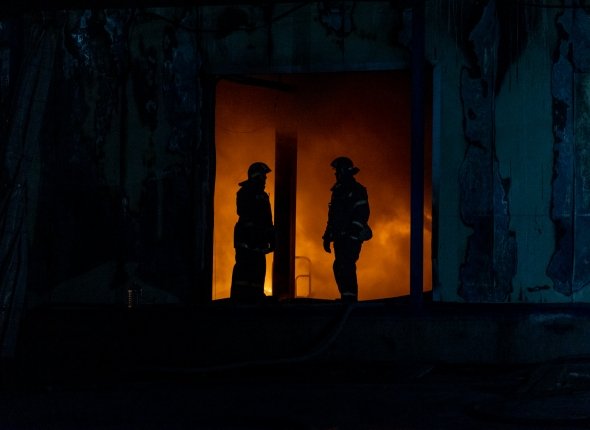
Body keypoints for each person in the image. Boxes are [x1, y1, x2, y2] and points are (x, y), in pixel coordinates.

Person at [322, 156, 371, 303]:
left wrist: (352, 232)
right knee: (339, 266)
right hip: (340, 237)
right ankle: (346, 297)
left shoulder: (357, 190)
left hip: (351, 238)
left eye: (337, 171)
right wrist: (327, 236)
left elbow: (362, 213)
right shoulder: (338, 191)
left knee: (346, 265)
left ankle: (350, 299)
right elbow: (333, 216)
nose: (336, 174)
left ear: (343, 171)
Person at [230, 161, 275, 303]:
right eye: (263, 176)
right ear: (257, 176)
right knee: (245, 267)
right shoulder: (245, 192)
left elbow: (268, 221)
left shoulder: (263, 196)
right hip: (247, 239)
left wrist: (272, 238)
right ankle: (240, 297)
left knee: (259, 267)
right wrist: (255, 235)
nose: (265, 179)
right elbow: (245, 214)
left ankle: (256, 295)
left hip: (258, 239)